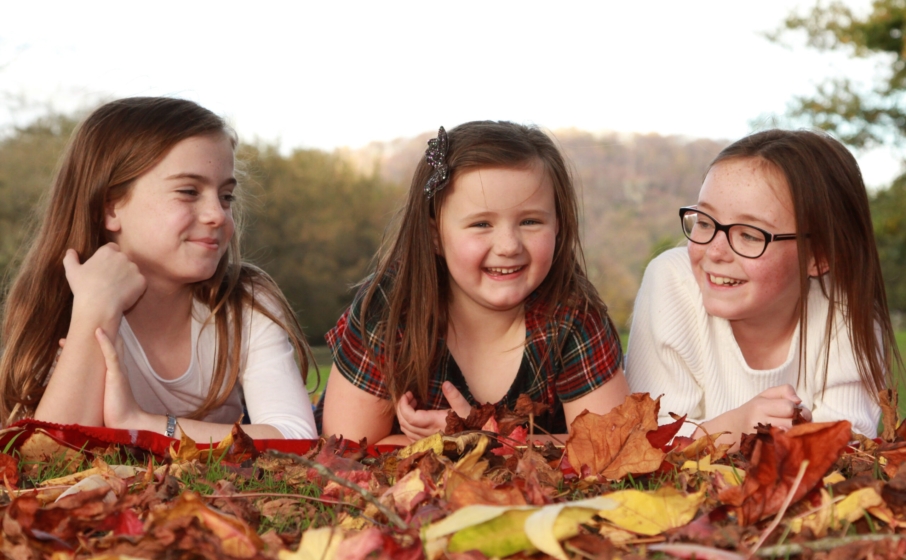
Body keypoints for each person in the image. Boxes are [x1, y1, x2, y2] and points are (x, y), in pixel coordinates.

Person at [0, 97, 317, 440]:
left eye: (226, 196)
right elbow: (48, 454)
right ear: (110, 208)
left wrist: (142, 422)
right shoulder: (62, 305)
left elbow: (296, 436)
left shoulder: (244, 302)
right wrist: (94, 309)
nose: (217, 214)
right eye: (188, 191)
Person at [320, 121, 629, 445]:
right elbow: (348, 445)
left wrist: (479, 439)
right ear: (435, 235)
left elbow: (609, 446)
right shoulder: (392, 306)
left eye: (530, 221)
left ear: (558, 227)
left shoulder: (573, 317)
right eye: (481, 224)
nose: (509, 245)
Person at [625, 129, 902, 446]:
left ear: (819, 256)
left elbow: (846, 445)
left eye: (750, 235)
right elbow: (648, 442)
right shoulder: (672, 282)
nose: (715, 251)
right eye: (704, 222)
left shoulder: (845, 313)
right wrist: (737, 426)